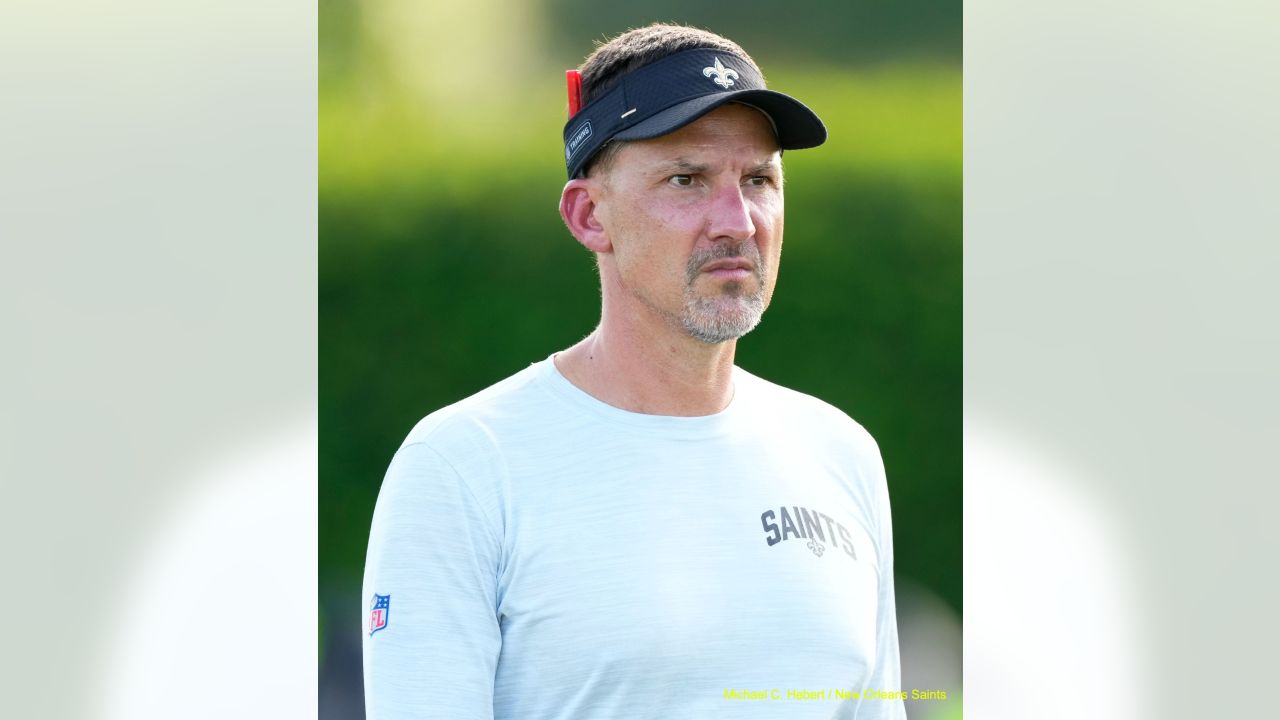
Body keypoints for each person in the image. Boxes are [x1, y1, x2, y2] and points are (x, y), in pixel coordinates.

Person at [362, 23, 906, 720]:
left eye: (759, 179)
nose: (736, 220)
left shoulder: (841, 453)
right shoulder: (465, 465)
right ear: (590, 215)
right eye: (687, 179)